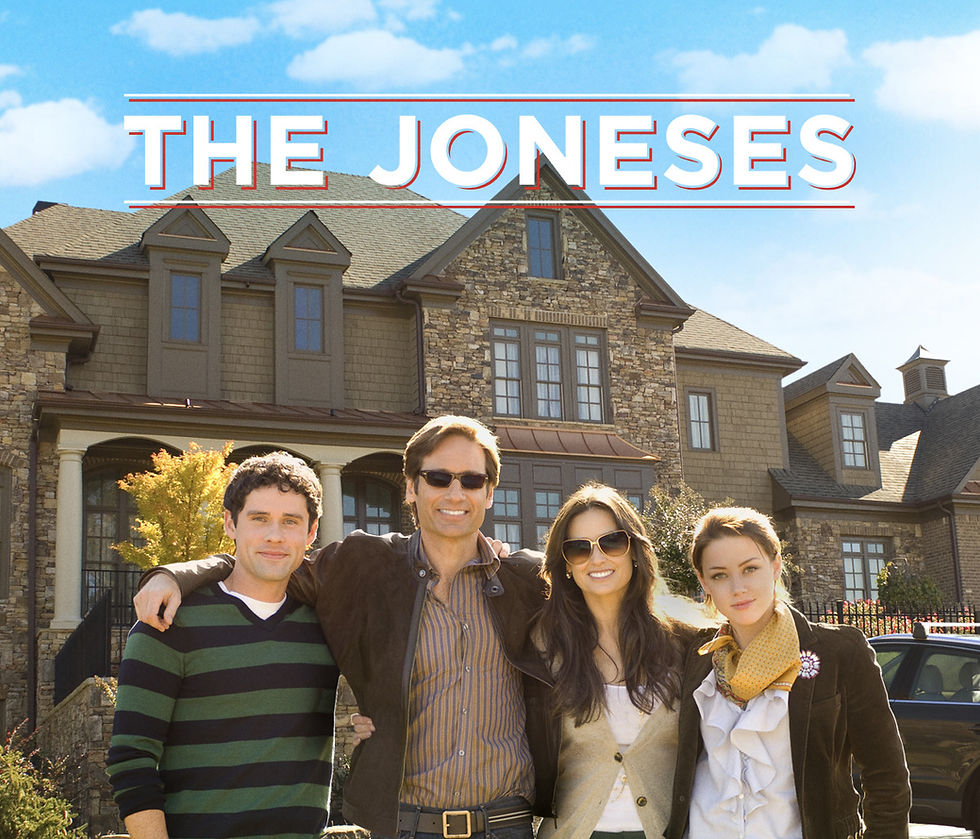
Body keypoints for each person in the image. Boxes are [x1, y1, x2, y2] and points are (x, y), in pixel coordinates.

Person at [132, 416, 557, 839]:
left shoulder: (530, 582)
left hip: (506, 825)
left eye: (471, 480)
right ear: (411, 487)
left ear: (489, 492)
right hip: (403, 826)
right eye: (439, 477)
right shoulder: (365, 565)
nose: (455, 493)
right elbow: (270, 562)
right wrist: (175, 574)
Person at [106, 451, 338, 839]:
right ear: (231, 523)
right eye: (259, 518)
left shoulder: (329, 626)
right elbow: (132, 758)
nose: (275, 535)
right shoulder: (167, 623)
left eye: (290, 521)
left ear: (311, 532)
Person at [663, 507, 911, 839]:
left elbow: (886, 775)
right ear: (703, 581)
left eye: (750, 568)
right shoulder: (695, 657)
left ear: (775, 565)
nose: (738, 587)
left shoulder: (839, 652)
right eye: (720, 575)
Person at [533, 483, 693, 839]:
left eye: (613, 542)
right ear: (566, 564)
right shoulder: (543, 646)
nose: (597, 558)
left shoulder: (683, 641)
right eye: (579, 548)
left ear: (634, 550)